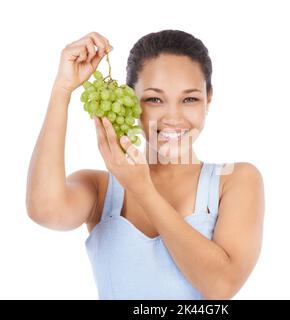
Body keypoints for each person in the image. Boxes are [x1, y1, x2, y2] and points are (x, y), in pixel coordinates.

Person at [26, 30, 265, 300]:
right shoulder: (101, 189)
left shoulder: (235, 180)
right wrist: (62, 90)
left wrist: (143, 190)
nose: (173, 117)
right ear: (131, 100)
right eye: (154, 99)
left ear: (208, 99)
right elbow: (44, 210)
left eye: (189, 99)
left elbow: (221, 286)